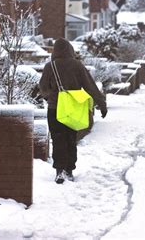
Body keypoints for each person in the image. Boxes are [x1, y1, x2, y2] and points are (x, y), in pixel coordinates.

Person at [39, 38, 107, 184]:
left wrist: (51, 97)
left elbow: (43, 87)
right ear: (70, 50)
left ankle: (59, 171)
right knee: (71, 138)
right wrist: (101, 103)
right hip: (73, 108)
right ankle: (69, 170)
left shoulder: (50, 66)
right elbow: (90, 86)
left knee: (57, 139)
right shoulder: (77, 65)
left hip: (55, 109)